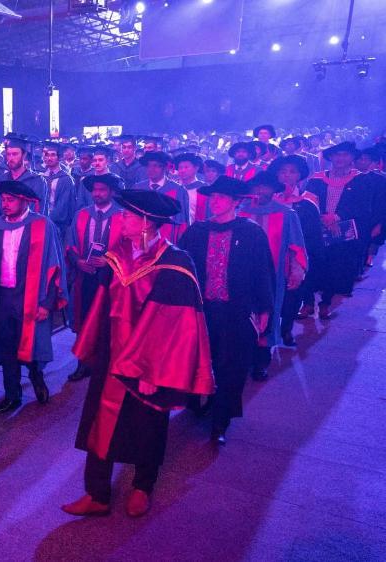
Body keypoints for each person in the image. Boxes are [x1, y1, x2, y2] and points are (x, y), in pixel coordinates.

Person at [63, 189, 213, 518]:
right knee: (99, 420)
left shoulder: (175, 263)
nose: (121, 220)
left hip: (150, 364)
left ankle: (142, 487)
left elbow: (173, 327)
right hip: (112, 355)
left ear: (146, 222)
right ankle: (97, 493)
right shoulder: (118, 255)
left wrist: (149, 369)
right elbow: (103, 304)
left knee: (148, 423)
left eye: (128, 216)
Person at [180, 177, 275, 443]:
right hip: (202, 310)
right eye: (213, 197)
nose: (215, 201)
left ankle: (220, 421)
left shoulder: (251, 232)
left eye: (222, 197)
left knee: (231, 364)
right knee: (199, 358)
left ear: (236, 202)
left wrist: (264, 307)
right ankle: (198, 401)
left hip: (236, 310)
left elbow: (262, 271)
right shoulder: (197, 231)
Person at [0, 180, 67, 414]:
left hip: (31, 295)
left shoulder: (42, 226)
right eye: (3, 199)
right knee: (7, 346)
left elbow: (53, 265)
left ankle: (36, 375)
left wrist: (46, 303)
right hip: (1, 296)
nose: (5, 204)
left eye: (10, 200)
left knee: (32, 342)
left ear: (24, 201)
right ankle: (12, 395)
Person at [239, 172, 307, 379]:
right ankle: (245, 356)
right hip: (241, 273)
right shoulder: (240, 212)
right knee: (243, 314)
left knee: (267, 313)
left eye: (265, 187)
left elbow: (297, 246)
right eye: (256, 187)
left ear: (273, 190)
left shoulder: (286, 214)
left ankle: (261, 360)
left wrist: (297, 271)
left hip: (273, 274)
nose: (260, 191)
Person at [304, 142, 378, 318]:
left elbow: (363, 206)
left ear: (352, 158)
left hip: (342, 231)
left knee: (333, 266)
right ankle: (307, 303)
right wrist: (321, 217)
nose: (340, 159)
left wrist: (336, 216)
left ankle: (325, 303)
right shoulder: (316, 178)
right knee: (310, 265)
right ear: (330, 157)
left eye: (345, 155)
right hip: (317, 228)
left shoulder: (361, 179)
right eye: (337, 155)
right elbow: (307, 200)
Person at [64, 174, 124, 383]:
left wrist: (110, 261)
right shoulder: (81, 215)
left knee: (108, 320)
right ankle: (83, 363)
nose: (97, 193)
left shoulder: (122, 217)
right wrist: (78, 261)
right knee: (84, 318)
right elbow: (70, 243)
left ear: (111, 192)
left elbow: (128, 249)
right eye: (95, 190)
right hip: (85, 277)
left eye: (102, 190)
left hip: (111, 279)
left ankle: (107, 363)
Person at [271, 155, 324, 341]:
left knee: (292, 295)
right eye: (283, 171)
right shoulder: (268, 200)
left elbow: (313, 236)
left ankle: (286, 329)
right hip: (270, 255)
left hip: (295, 257)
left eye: (292, 172)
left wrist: (304, 261)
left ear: (299, 175)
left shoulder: (307, 202)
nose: (286, 175)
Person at [133, 151, 189, 243]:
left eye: (156, 166)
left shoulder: (178, 190)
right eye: (149, 165)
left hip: (167, 243)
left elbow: (182, 222)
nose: (152, 169)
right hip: (142, 241)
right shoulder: (138, 188)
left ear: (165, 168)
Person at [0, 134, 49, 214]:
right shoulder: (2, 179)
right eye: (8, 154)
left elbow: (37, 211)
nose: (11, 158)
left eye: (15, 154)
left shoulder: (37, 181)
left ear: (24, 155)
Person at [174, 153, 209, 222]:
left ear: (196, 168)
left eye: (186, 167)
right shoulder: (173, 187)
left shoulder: (204, 189)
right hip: (173, 230)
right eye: (180, 167)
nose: (182, 170)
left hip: (195, 229)